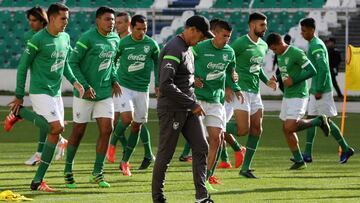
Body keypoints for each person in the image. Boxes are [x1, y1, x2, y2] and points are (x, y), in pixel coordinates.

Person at [7, 3, 84, 192]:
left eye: (67, 18)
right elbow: (23, 67)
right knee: (57, 127)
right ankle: (21, 112)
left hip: (55, 92)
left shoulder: (65, 38)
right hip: (40, 91)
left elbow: (65, 63)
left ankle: (37, 181)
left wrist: (74, 82)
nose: (67, 22)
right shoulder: (37, 39)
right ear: (51, 18)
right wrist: (19, 95)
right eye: (63, 18)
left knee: (55, 132)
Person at [152, 15, 214, 203]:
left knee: (201, 147)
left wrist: (192, 83)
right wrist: (192, 103)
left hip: (187, 108)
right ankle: (158, 198)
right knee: (166, 153)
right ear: (192, 30)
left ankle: (201, 197)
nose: (202, 40)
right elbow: (166, 84)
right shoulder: (174, 48)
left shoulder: (187, 49)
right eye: (201, 36)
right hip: (173, 109)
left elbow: (181, 77)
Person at [63, 6, 121, 189]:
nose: (111, 23)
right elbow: (72, 62)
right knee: (78, 132)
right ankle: (68, 169)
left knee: (107, 129)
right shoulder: (87, 38)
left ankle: (97, 172)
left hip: (104, 93)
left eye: (112, 20)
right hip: (84, 94)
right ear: (97, 20)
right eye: (107, 19)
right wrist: (85, 86)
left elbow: (112, 63)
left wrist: (114, 80)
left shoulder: (115, 38)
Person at [266, 32, 331, 170]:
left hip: (299, 95)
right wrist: (275, 78)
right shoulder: (279, 54)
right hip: (288, 95)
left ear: (279, 43)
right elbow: (283, 71)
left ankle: (318, 121)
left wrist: (294, 80)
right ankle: (299, 160)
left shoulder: (296, 52)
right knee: (286, 129)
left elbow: (312, 70)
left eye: (274, 49)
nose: (273, 52)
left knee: (290, 126)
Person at [192, 20, 243, 190]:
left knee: (218, 138)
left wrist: (235, 88)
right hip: (197, 98)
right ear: (215, 33)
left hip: (216, 100)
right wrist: (192, 79)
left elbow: (230, 72)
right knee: (198, 141)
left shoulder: (229, 52)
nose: (227, 39)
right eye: (224, 36)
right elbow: (184, 62)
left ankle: (206, 178)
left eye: (229, 36)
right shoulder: (200, 48)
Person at [18, 6, 68, 166]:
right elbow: (25, 64)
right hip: (40, 84)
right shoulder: (31, 37)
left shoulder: (59, 36)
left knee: (46, 121)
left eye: (34, 21)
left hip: (53, 87)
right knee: (47, 121)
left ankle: (41, 153)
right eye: (29, 21)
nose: (31, 24)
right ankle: (43, 152)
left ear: (43, 20)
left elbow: (66, 57)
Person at [300, 18, 354, 163]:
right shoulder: (313, 43)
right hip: (316, 89)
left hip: (321, 90)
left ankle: (346, 148)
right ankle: (307, 154)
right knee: (311, 119)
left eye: (304, 30)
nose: (302, 33)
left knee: (325, 121)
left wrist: (318, 89)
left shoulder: (316, 45)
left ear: (312, 30)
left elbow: (323, 69)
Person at [229, 12, 277, 178]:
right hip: (240, 91)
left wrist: (267, 81)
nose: (265, 28)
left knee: (257, 128)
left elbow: (257, 68)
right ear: (252, 25)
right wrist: (229, 86)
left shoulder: (263, 45)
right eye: (262, 25)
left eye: (266, 24)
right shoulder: (240, 43)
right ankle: (213, 127)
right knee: (243, 130)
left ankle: (245, 168)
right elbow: (227, 63)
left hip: (255, 92)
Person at [112, 14, 159, 175]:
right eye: (138, 29)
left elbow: (158, 64)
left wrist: (158, 85)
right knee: (126, 117)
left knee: (137, 124)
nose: (142, 32)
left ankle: (126, 161)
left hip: (142, 89)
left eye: (144, 29)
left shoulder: (151, 44)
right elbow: (112, 60)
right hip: (123, 86)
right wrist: (112, 79)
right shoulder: (122, 42)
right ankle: (111, 146)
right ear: (132, 27)